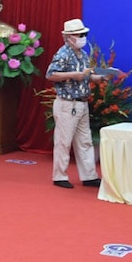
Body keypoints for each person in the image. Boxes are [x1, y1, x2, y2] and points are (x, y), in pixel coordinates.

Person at [45, 19, 101, 189]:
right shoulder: (63, 54)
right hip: (67, 104)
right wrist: (72, 75)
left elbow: (86, 76)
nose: (83, 38)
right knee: (64, 141)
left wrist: (98, 78)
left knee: (85, 141)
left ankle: (89, 176)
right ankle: (59, 175)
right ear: (68, 37)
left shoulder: (83, 55)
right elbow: (51, 74)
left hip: (82, 102)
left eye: (84, 34)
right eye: (79, 35)